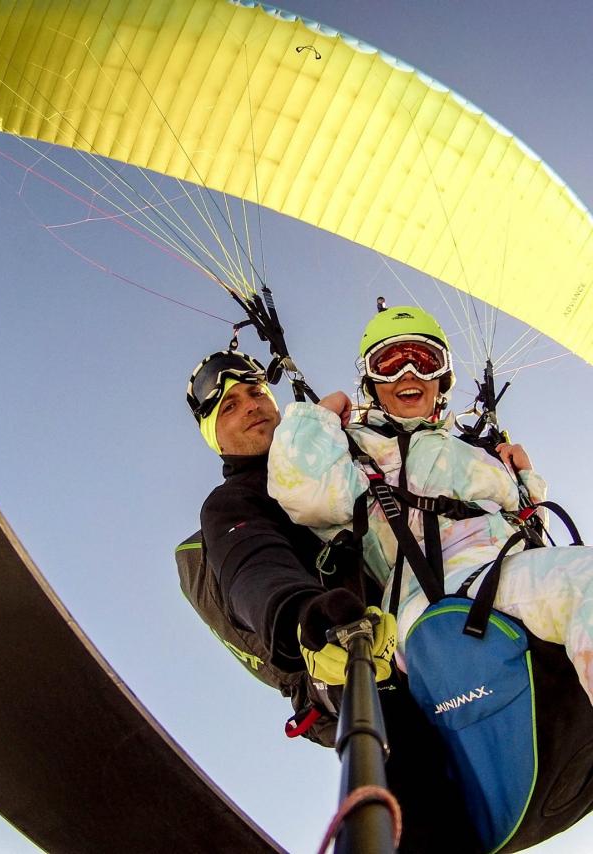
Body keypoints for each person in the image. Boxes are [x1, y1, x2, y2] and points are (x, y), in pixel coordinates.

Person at [184, 347, 482, 853]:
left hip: (421, 618)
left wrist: (500, 471)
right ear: (214, 436)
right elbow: (251, 565)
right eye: (229, 406)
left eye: (256, 392)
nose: (252, 406)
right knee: (419, 789)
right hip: (341, 656)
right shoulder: (234, 502)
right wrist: (301, 613)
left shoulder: (337, 456)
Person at [268, 304, 593, 707]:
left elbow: (528, 530)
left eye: (424, 360)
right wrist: (320, 416)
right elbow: (303, 492)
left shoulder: (475, 451)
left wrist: (526, 479)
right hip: (431, 595)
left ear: (442, 378)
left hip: (508, 571)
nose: (408, 373)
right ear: (370, 382)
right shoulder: (357, 446)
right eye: (388, 363)